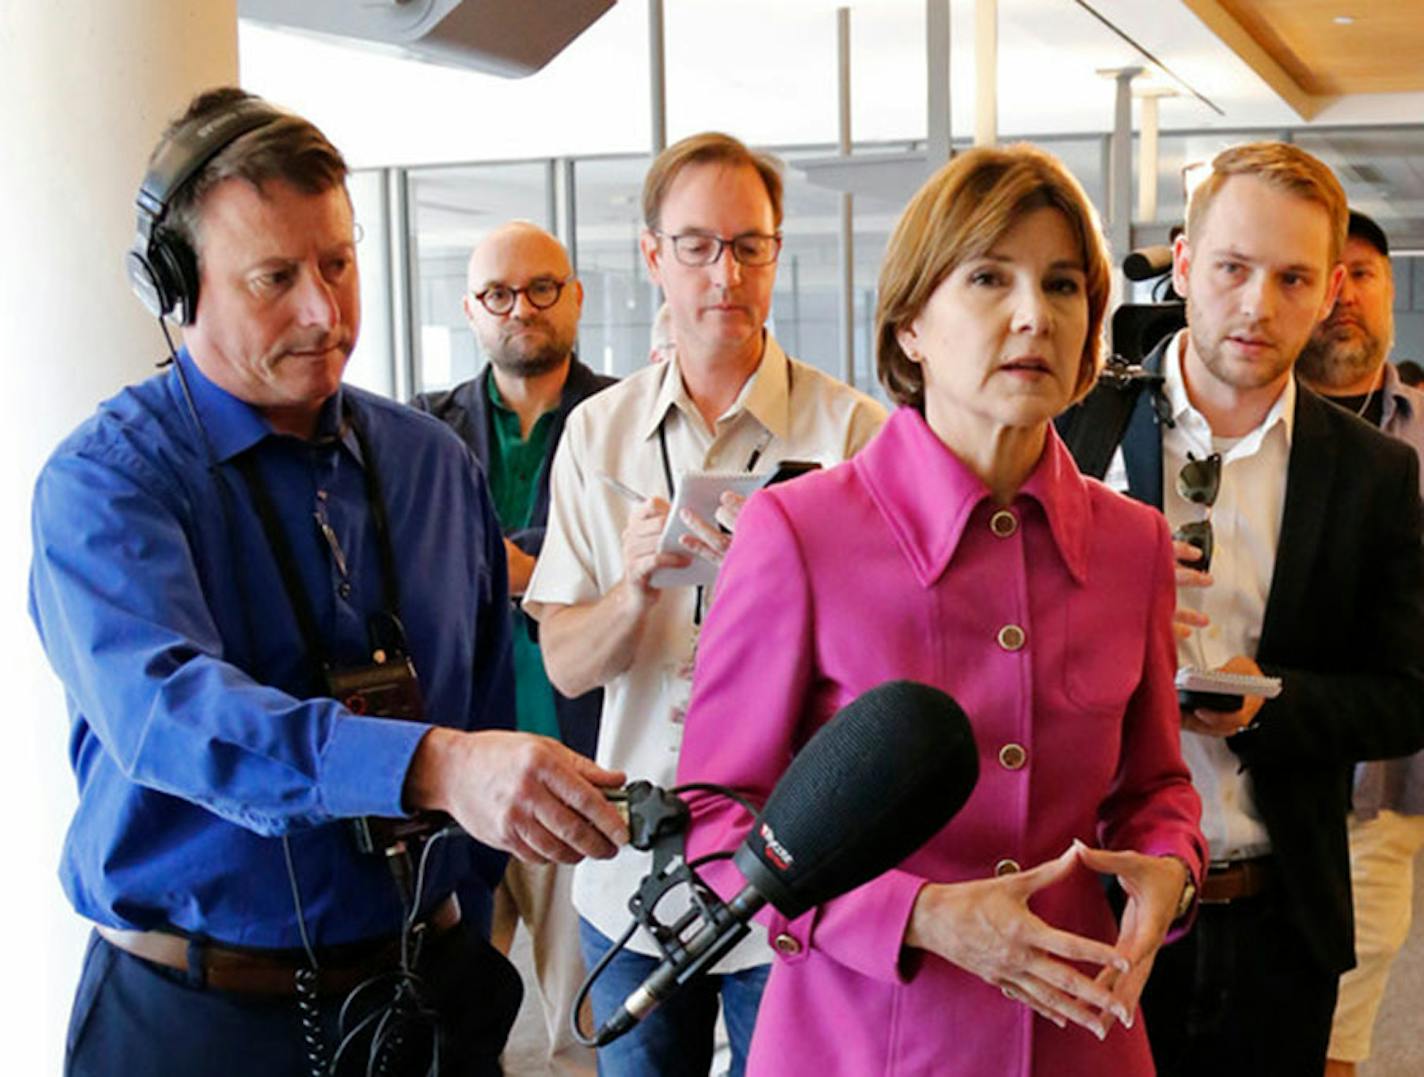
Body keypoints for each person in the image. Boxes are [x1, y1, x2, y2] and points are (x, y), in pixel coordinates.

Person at [31, 88, 628, 1077]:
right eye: (274, 277)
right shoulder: (107, 482)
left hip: (421, 1004)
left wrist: (462, 929)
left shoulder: (434, 466)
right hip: (196, 1023)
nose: (323, 310)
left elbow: (478, 706)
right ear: (180, 290)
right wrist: (429, 764)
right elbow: (166, 716)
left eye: (339, 264)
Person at [675, 143, 1207, 1076]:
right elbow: (719, 822)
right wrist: (915, 914)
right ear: (912, 324)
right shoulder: (797, 531)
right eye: (989, 278)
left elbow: (1155, 789)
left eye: (1064, 285)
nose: (1034, 314)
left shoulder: (1134, 546)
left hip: (1079, 1038)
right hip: (864, 1037)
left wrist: (1171, 866)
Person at [523, 131, 886, 1075]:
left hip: (801, 871)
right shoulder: (598, 436)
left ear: (775, 251)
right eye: (696, 245)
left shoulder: (855, 434)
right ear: (653, 255)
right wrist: (633, 589)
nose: (725, 274)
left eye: (749, 246)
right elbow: (565, 664)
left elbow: (892, 659)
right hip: (635, 876)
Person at [1058, 143, 1424, 1076]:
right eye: (1231, 268)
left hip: (1275, 915)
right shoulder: (1072, 424)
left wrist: (1278, 701)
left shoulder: (1374, 469)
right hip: (1088, 902)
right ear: (1183, 263)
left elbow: (1408, 691)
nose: (1259, 305)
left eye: (1293, 277)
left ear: (1332, 286)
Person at [412, 219, 615, 1076]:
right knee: (453, 1030)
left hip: (586, 758)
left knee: (583, 1033)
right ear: (471, 309)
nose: (519, 308)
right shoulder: (420, 430)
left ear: (574, 296)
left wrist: (511, 556)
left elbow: (632, 572)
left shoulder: (623, 420)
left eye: (540, 288)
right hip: (466, 771)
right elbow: (422, 565)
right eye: (498, 294)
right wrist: (541, 561)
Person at [1296, 210, 1424, 1077]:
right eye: (1324, 274)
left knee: (1346, 1014)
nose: (1346, 293)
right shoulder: (1244, 427)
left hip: (1384, 786)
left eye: (1366, 271)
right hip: (1252, 780)